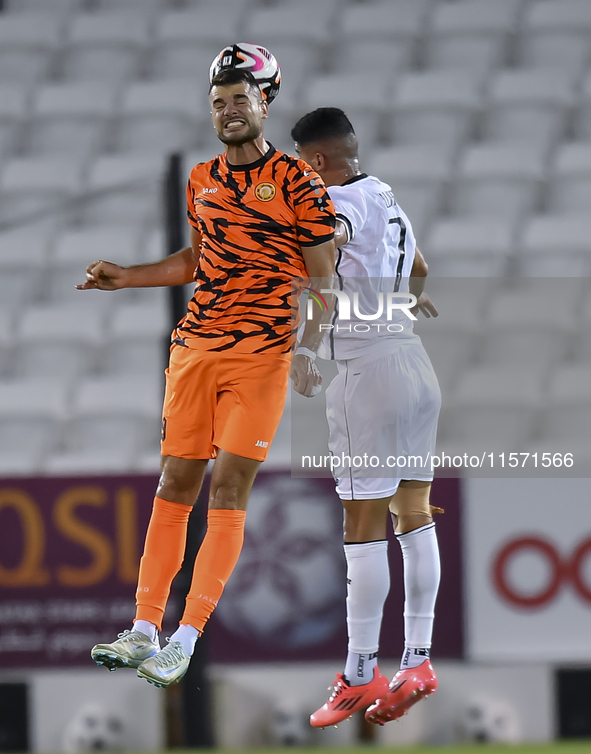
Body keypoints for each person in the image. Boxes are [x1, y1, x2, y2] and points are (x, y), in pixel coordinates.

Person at [79, 68, 336, 688]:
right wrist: (128, 275)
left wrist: (311, 347)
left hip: (262, 352)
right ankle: (143, 629)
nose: (228, 111)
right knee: (175, 481)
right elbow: (198, 260)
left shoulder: (297, 181)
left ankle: (186, 636)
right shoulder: (202, 180)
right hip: (196, 347)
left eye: (239, 100)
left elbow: (325, 277)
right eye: (218, 103)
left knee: (228, 486)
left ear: (263, 106)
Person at [290, 107, 442, 727]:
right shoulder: (385, 193)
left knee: (361, 522)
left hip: (364, 374)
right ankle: (418, 660)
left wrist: (304, 351)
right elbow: (421, 269)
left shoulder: (333, 204)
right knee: (413, 514)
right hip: (413, 363)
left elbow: (325, 276)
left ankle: (358, 672)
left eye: (301, 166)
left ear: (317, 162)